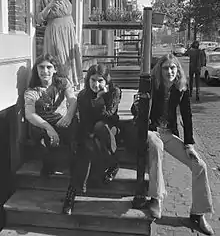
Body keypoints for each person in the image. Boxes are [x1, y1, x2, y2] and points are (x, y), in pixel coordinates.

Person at [131, 53, 214, 235]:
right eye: (166, 68)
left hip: (168, 134)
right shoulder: (153, 85)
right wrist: (139, 105)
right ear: (160, 70)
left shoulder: (181, 89)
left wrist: (189, 143)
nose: (169, 71)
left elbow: (187, 116)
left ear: (178, 71)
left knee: (200, 165)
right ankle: (156, 198)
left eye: (173, 68)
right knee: (156, 145)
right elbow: (136, 107)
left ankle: (198, 213)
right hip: (152, 131)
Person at [62, 63, 122, 215]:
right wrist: (86, 136)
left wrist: (100, 98)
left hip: (110, 130)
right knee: (86, 149)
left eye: (100, 80)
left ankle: (72, 193)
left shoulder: (114, 91)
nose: (96, 84)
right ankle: (72, 193)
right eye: (93, 80)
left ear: (106, 81)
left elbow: (109, 115)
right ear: (88, 80)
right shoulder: (83, 95)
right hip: (90, 130)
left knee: (100, 126)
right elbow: (85, 121)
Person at [24, 53, 78, 177]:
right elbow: (30, 114)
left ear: (55, 69)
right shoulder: (32, 91)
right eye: (41, 67)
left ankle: (75, 165)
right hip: (42, 124)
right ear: (36, 70)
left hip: (61, 120)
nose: (45, 71)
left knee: (75, 129)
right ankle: (48, 168)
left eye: (49, 67)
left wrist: (68, 116)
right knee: (44, 139)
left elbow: (73, 100)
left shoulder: (63, 83)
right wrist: (49, 129)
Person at [34, 0, 83, 88]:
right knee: (60, 61)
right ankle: (60, 91)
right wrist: (49, 6)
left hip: (68, 31)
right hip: (55, 32)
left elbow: (68, 11)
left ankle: (70, 92)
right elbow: (38, 19)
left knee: (71, 60)